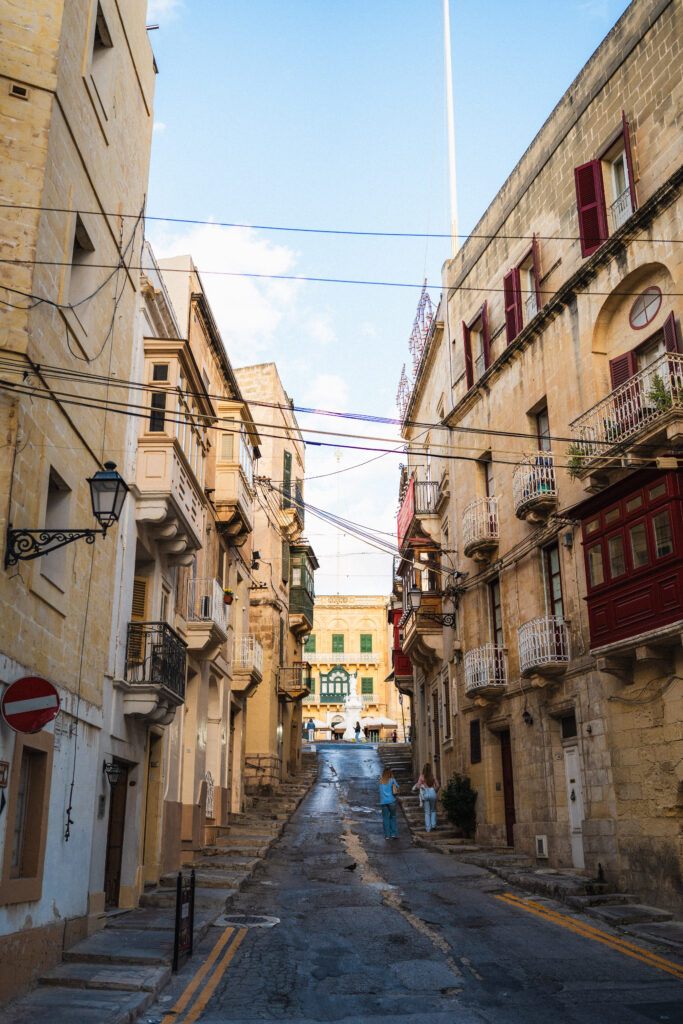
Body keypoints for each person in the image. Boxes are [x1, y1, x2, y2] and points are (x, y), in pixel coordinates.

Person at [412, 762, 440, 833]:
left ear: (424, 769)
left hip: (425, 794)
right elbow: (438, 785)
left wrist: (422, 786)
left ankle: (428, 828)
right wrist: (435, 791)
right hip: (432, 792)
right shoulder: (433, 776)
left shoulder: (422, 776)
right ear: (430, 769)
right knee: (433, 810)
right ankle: (433, 825)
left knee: (427, 812)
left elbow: (418, 786)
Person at [379, 766, 399, 839]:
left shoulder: (381, 781)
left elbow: (380, 792)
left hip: (384, 802)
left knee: (385, 818)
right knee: (393, 817)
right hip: (392, 801)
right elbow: (397, 788)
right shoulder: (392, 780)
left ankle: (387, 835)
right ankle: (393, 833)